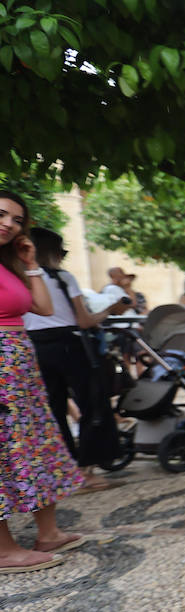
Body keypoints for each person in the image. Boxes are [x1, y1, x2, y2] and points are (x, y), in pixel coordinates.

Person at [0, 191, 85, 572]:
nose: (9, 225)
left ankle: (47, 532)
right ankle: (3, 550)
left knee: (34, 444)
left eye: (17, 220)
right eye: (2, 215)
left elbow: (45, 308)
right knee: (5, 451)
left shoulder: (8, 265)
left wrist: (30, 264)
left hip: (20, 367)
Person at [24, 227, 126, 491]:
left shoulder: (18, 279)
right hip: (69, 344)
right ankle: (85, 471)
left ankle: (63, 471)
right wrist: (109, 311)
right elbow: (83, 320)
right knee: (92, 403)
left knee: (52, 410)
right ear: (53, 252)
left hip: (32, 345)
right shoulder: (61, 277)